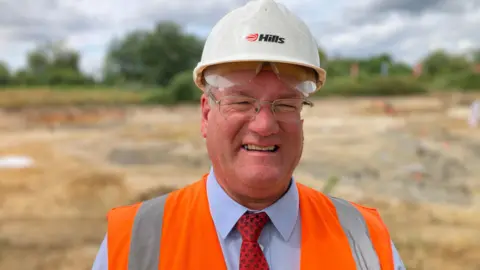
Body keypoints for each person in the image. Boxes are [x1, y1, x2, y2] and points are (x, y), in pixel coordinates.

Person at [91, 0, 406, 269]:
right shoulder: (132, 242)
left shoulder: (365, 240)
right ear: (205, 114)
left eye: (284, 104)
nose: (264, 125)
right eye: (241, 102)